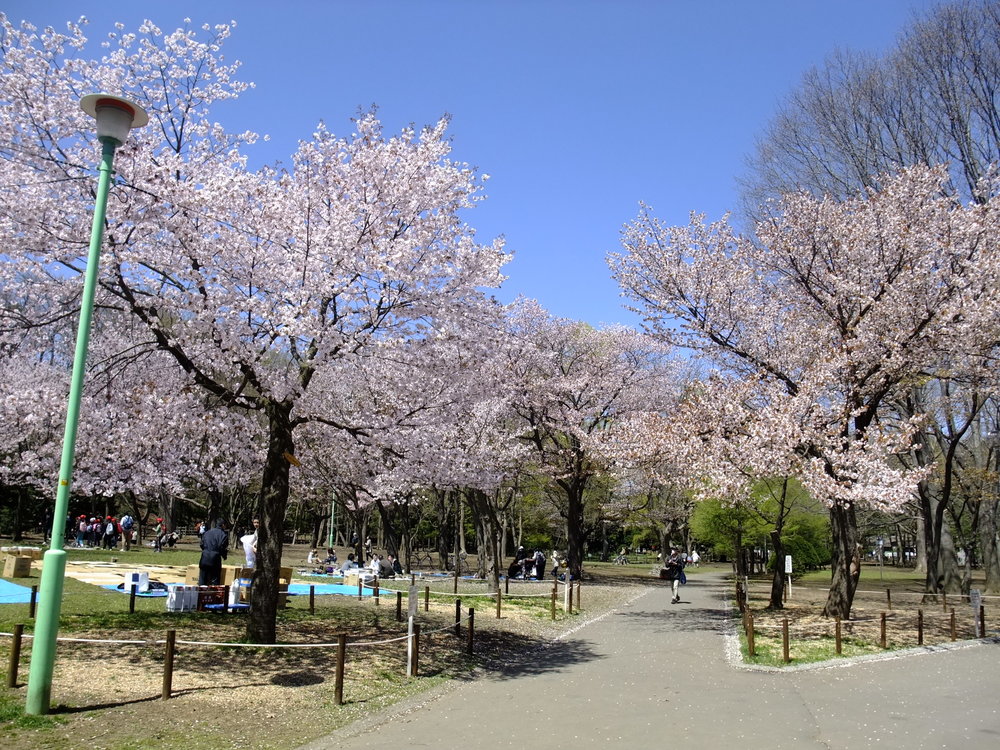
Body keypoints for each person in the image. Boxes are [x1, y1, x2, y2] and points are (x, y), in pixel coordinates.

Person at [199, 518, 229, 585]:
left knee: (202, 579)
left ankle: (200, 594)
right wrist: (224, 556)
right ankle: (213, 594)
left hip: (204, 557)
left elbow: (201, 544)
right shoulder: (223, 535)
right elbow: (222, 548)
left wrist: (206, 550)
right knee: (215, 580)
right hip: (215, 559)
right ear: (223, 525)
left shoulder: (207, 532)